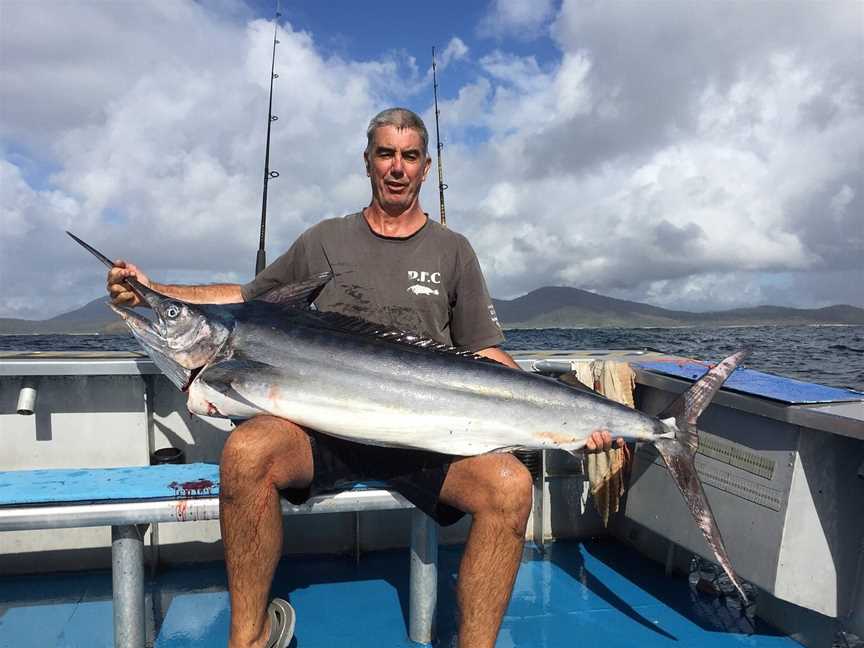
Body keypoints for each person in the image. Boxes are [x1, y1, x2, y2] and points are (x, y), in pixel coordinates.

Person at [107, 107, 616, 648]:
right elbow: (242, 301)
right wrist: (151, 289)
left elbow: (484, 352)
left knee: (511, 487)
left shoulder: (453, 250)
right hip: (324, 431)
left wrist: (577, 416)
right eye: (386, 154)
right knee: (246, 452)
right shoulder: (324, 241)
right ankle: (249, 639)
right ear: (368, 162)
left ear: (425, 168)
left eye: (410, 157)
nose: (397, 167)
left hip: (424, 438)